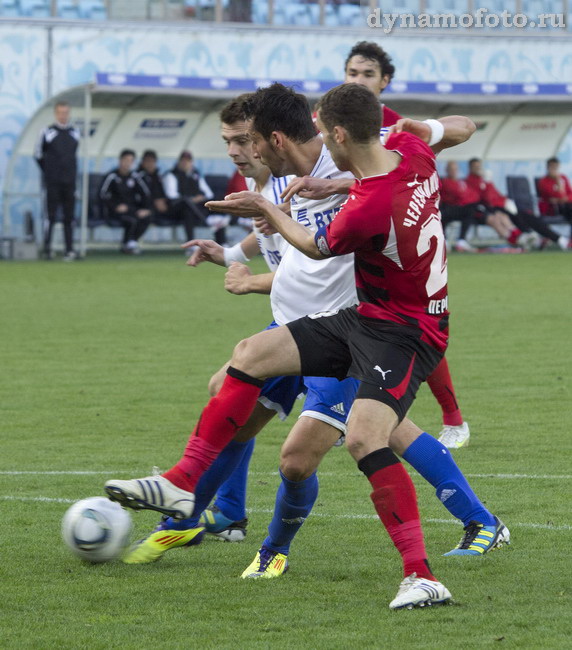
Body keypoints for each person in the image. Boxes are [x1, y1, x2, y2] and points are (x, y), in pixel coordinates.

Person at [106, 84, 510, 610]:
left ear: (335, 134)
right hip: (355, 318)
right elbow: (455, 130)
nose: (240, 149)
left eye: (243, 140)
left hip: (399, 330)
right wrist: (419, 130)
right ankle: (187, 490)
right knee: (246, 360)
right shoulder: (410, 152)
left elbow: (317, 246)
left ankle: (421, 567)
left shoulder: (366, 201)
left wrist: (267, 213)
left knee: (359, 441)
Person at [305, 41, 471, 448]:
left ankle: (448, 419)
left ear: (385, 82)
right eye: (352, 73)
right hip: (347, 235)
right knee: (363, 327)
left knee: (402, 323)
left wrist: (338, 185)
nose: (358, 80)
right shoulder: (323, 120)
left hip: (383, 237)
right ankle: (350, 411)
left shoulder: (399, 128)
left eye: (367, 74)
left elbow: (386, 182)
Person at [466, 158, 569, 251]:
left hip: (503, 206)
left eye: (479, 166)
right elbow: (486, 199)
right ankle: (528, 235)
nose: (478, 169)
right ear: (470, 168)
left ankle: (559, 239)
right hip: (491, 209)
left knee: (531, 217)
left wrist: (506, 201)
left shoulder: (483, 179)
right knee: (511, 217)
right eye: (476, 167)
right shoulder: (470, 181)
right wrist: (488, 183)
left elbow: (497, 194)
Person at [34, 101, 80, 261]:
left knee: (69, 217)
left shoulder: (75, 132)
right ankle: (47, 248)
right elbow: (38, 155)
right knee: (51, 216)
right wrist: (50, 172)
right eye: (60, 112)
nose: (63, 115)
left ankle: (69, 249)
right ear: (56, 113)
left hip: (70, 182)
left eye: (66, 112)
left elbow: (73, 155)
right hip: (53, 182)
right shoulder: (47, 132)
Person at [99, 149, 152, 254]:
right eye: (125, 160)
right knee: (131, 220)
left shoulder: (135, 177)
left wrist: (146, 209)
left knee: (147, 216)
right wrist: (115, 206)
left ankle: (131, 243)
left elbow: (146, 194)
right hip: (114, 211)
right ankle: (126, 244)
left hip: (131, 209)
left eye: (130, 161)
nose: (127, 163)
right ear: (120, 161)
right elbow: (102, 194)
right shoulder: (112, 176)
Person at [162, 150, 216, 242]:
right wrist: (191, 199)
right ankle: (206, 222)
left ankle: (222, 240)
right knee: (186, 205)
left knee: (215, 202)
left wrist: (200, 198)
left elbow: (209, 193)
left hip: (194, 207)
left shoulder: (196, 174)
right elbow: (172, 195)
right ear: (179, 162)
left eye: (188, 161)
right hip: (176, 208)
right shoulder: (171, 175)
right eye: (183, 161)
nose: (185, 163)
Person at [440, 160, 486, 252]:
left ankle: (461, 240)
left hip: (459, 208)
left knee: (471, 210)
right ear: (447, 170)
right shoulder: (444, 181)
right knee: (441, 213)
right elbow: (458, 194)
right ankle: (444, 240)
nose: (453, 171)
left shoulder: (461, 182)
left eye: (455, 169)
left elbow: (472, 194)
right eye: (451, 169)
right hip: (447, 208)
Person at [537, 157, 572, 238]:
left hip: (566, 206)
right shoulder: (543, 181)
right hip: (553, 209)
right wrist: (558, 182)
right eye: (552, 167)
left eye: (556, 167)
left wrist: (565, 199)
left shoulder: (564, 178)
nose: (554, 170)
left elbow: (570, 194)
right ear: (547, 167)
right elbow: (552, 197)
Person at [136, 150, 169, 221]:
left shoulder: (158, 176)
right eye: (147, 161)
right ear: (143, 162)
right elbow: (143, 195)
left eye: (152, 161)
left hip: (160, 207)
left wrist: (163, 201)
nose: (150, 164)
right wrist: (155, 203)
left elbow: (164, 193)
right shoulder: (138, 176)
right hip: (145, 207)